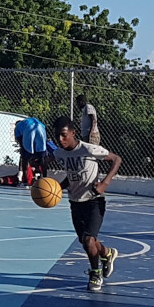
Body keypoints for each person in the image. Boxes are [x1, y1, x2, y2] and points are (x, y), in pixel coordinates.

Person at [47, 115, 121, 291]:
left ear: (73, 133)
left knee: (88, 241)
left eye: (64, 135)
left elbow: (116, 159)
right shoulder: (59, 153)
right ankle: (107, 253)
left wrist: (104, 183)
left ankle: (95, 273)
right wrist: (56, 188)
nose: (60, 139)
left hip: (94, 201)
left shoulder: (88, 149)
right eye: (57, 135)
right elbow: (71, 177)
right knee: (88, 242)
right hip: (75, 202)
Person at [0, 115, 51, 186]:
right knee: (42, 155)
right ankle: (45, 179)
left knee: (24, 157)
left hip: (30, 129)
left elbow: (21, 145)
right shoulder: (27, 122)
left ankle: (25, 181)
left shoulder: (18, 127)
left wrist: (25, 153)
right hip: (40, 127)